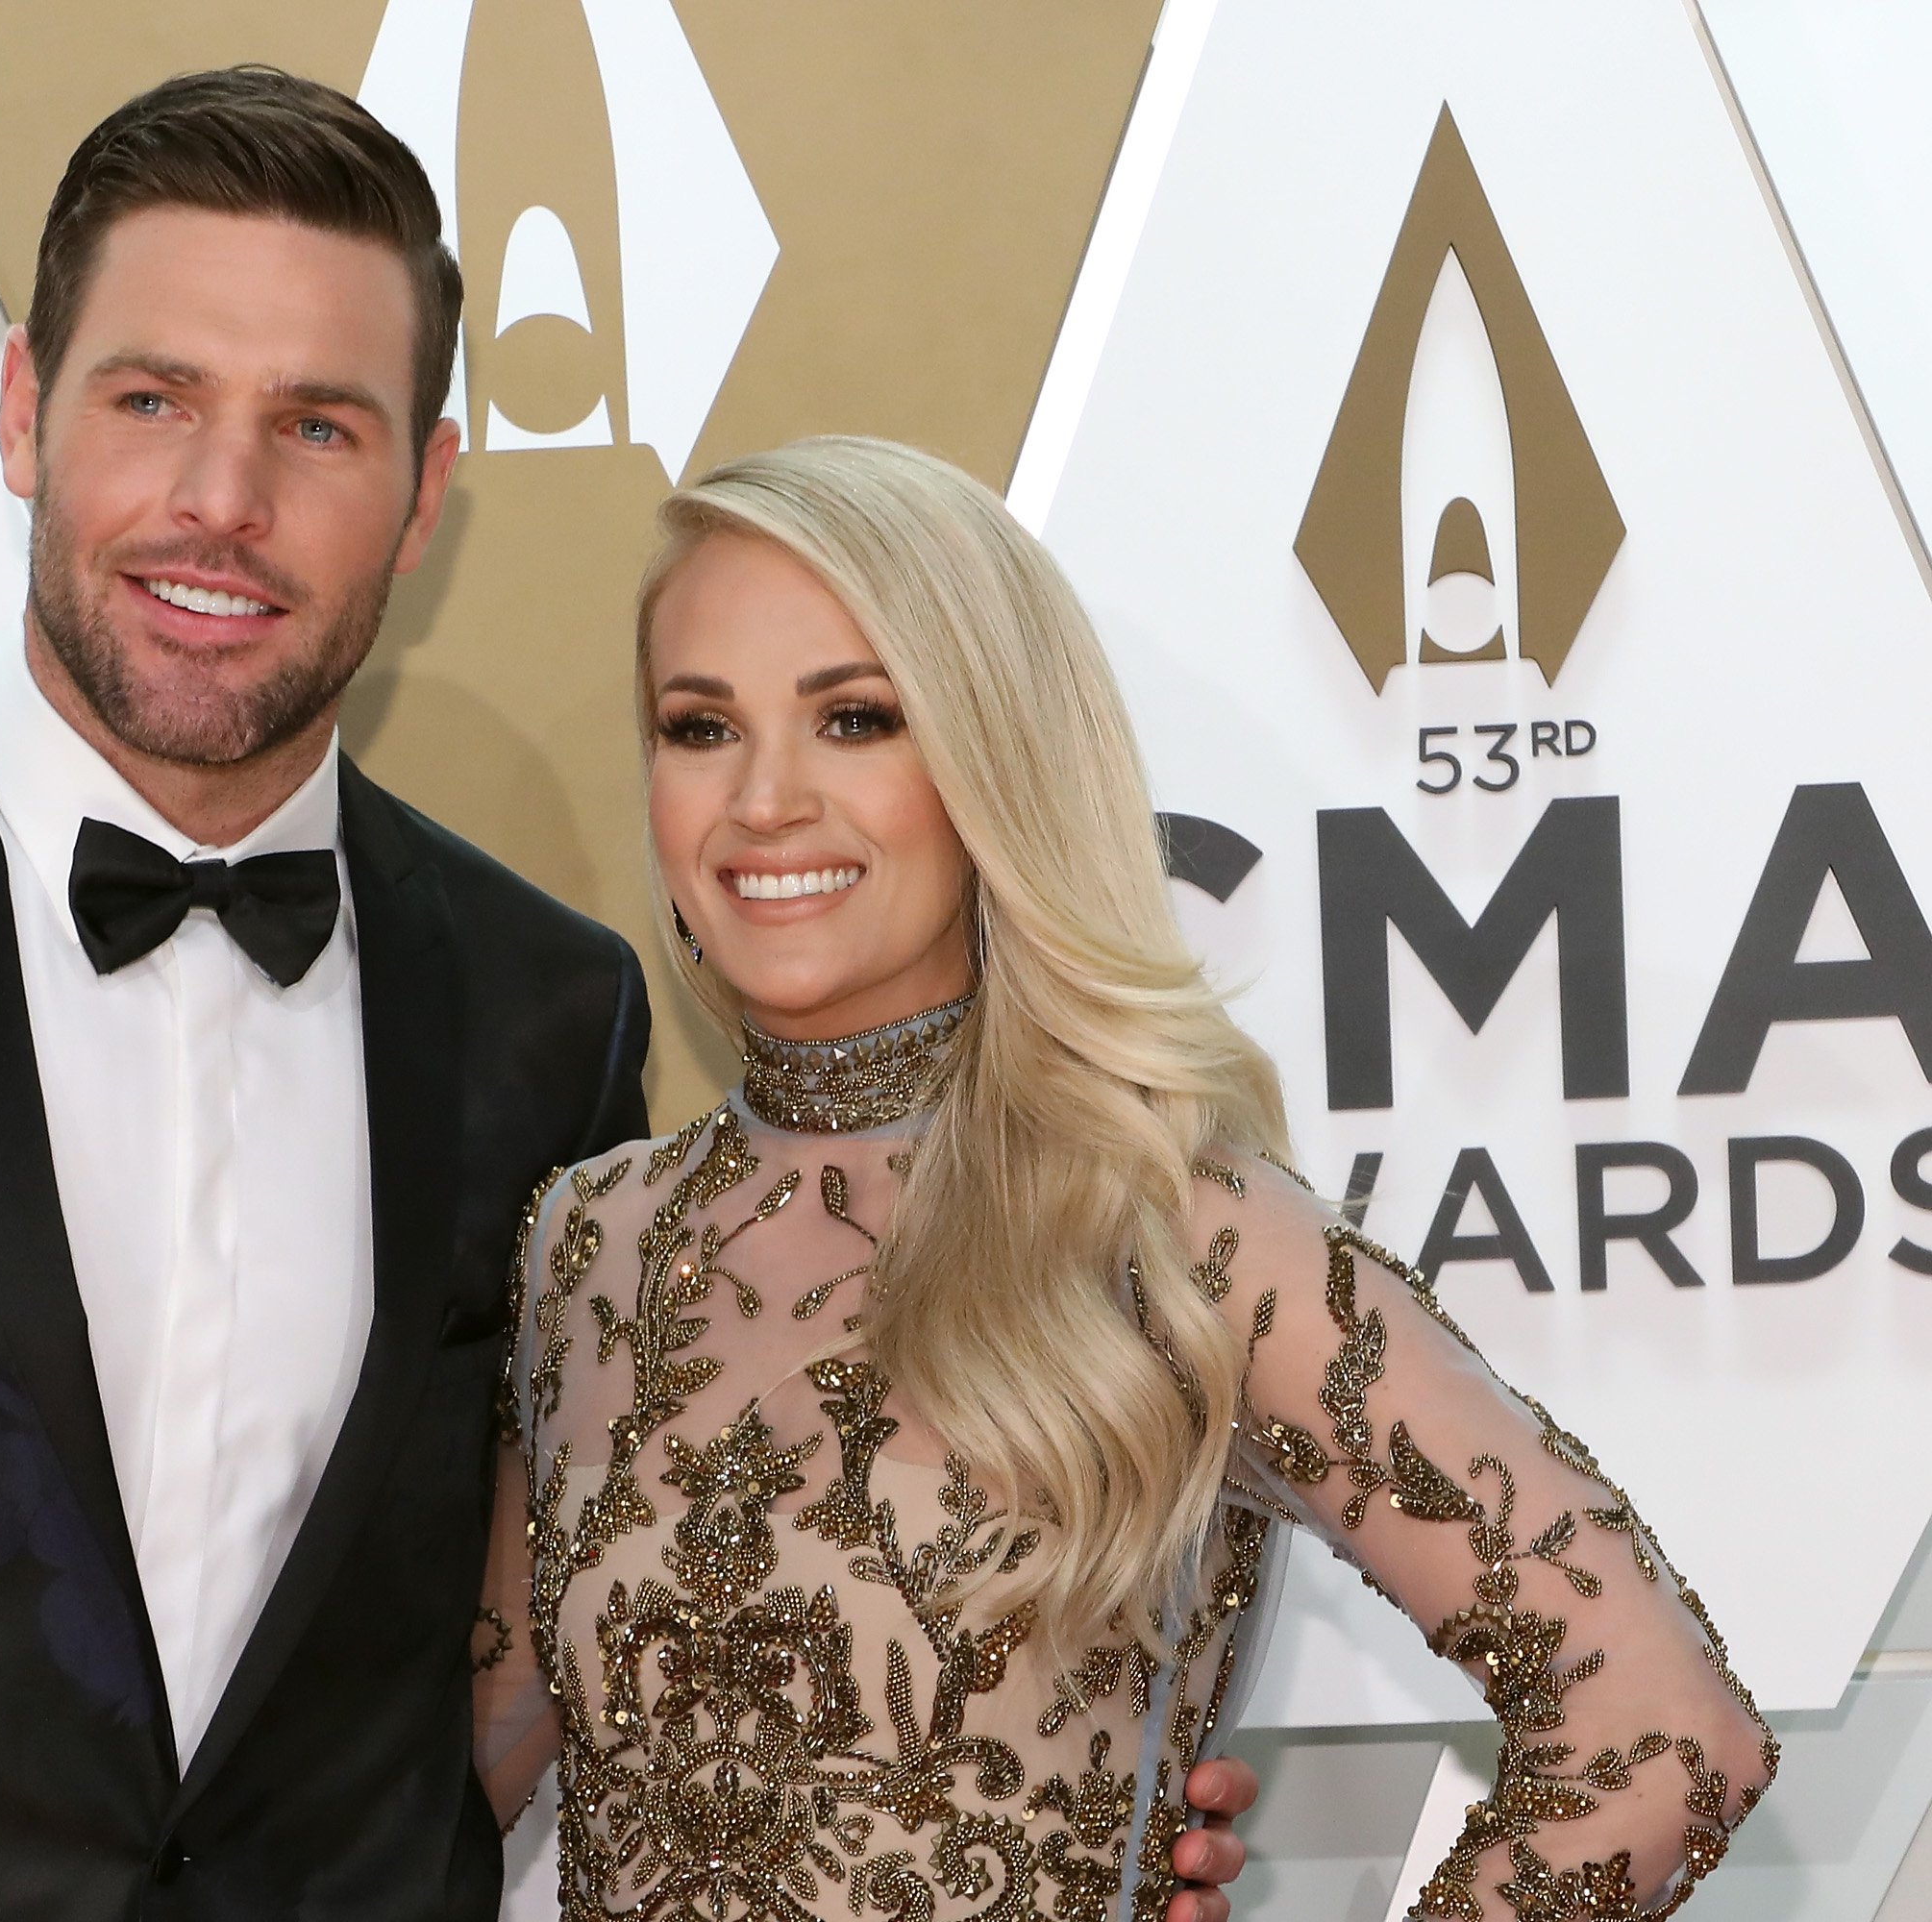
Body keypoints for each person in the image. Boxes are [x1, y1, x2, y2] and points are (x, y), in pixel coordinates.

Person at [0, 67, 1257, 1920]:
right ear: (26, 409)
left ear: (426, 487)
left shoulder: (542, 1015)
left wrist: (1020, 1767)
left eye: (317, 424)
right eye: (153, 399)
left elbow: (608, 1615)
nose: (224, 497)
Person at [475, 437, 1778, 1921]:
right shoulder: (591, 1242)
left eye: (855, 719)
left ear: (994, 756)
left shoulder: (1175, 1226)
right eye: (700, 727)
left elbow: (1663, 1733)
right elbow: (466, 1773)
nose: (765, 800)